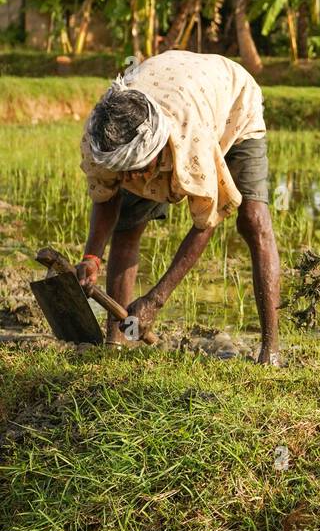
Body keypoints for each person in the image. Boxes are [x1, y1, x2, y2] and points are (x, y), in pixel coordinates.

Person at [75, 50, 281, 365]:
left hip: (232, 104)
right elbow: (106, 196)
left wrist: (156, 300)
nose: (132, 179)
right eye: (125, 172)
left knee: (253, 220)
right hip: (173, 83)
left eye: (138, 169)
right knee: (127, 225)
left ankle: (271, 350)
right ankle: (116, 343)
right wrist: (91, 258)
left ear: (158, 150)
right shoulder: (103, 137)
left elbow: (207, 221)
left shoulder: (191, 142)